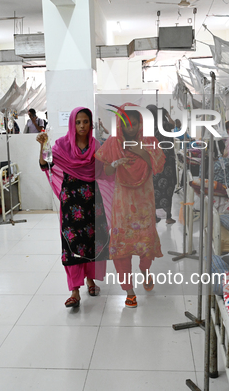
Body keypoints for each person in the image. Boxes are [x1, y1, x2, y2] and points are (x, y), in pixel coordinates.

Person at [37, 107, 110, 308]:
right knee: (72, 244)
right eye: (78, 122)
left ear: (91, 123)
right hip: (71, 201)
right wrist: (43, 145)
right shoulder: (61, 145)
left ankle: (90, 280)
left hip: (92, 201)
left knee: (91, 241)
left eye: (85, 121)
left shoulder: (97, 145)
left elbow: (104, 171)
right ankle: (74, 291)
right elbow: (45, 164)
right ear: (72, 124)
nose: (82, 126)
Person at [96, 105, 166, 308]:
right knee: (122, 248)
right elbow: (106, 170)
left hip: (144, 201)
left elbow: (159, 167)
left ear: (140, 123)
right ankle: (129, 290)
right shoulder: (113, 143)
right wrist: (116, 163)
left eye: (134, 123)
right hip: (123, 203)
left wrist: (143, 153)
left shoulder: (150, 141)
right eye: (125, 124)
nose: (130, 128)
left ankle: (145, 271)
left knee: (145, 244)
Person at [147, 105, 176, 224]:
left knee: (153, 189)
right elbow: (174, 124)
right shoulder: (165, 124)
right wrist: (167, 115)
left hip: (154, 162)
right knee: (168, 188)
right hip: (167, 162)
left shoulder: (148, 126)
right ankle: (168, 217)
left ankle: (154, 216)